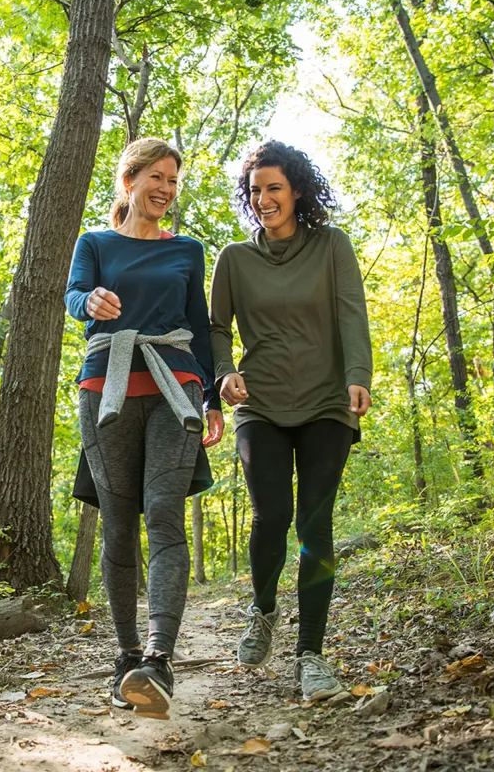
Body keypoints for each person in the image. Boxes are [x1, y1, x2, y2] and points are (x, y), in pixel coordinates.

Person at [65, 138, 224, 720]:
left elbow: (198, 329)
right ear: (129, 181)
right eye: (156, 177)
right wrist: (91, 303)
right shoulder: (95, 243)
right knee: (118, 524)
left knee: (163, 513)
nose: (165, 189)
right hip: (104, 388)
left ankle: (158, 659)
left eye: (173, 181)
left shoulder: (187, 250)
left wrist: (210, 395)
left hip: (174, 388)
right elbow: (73, 295)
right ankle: (125, 657)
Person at [209, 141, 372, 702]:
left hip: (328, 401)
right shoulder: (234, 259)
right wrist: (224, 373)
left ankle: (311, 656)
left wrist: (358, 375)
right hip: (261, 403)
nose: (263, 200)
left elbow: (352, 310)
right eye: (255, 191)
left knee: (314, 524)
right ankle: (264, 607)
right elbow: (216, 329)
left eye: (274, 188)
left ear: (297, 190)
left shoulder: (331, 246)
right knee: (271, 514)